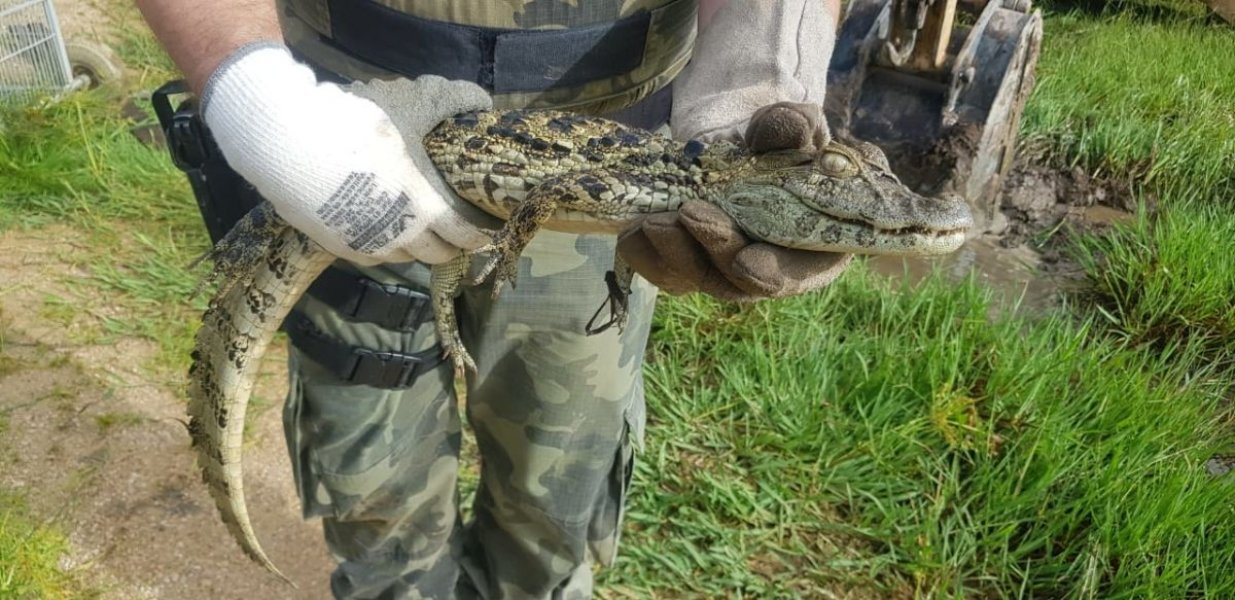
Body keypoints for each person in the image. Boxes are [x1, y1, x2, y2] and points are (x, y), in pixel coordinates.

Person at [135, 1, 850, 597]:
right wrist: (256, 97)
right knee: (371, 490)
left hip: (614, 170)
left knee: (556, 497)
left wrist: (759, 72)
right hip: (338, 143)